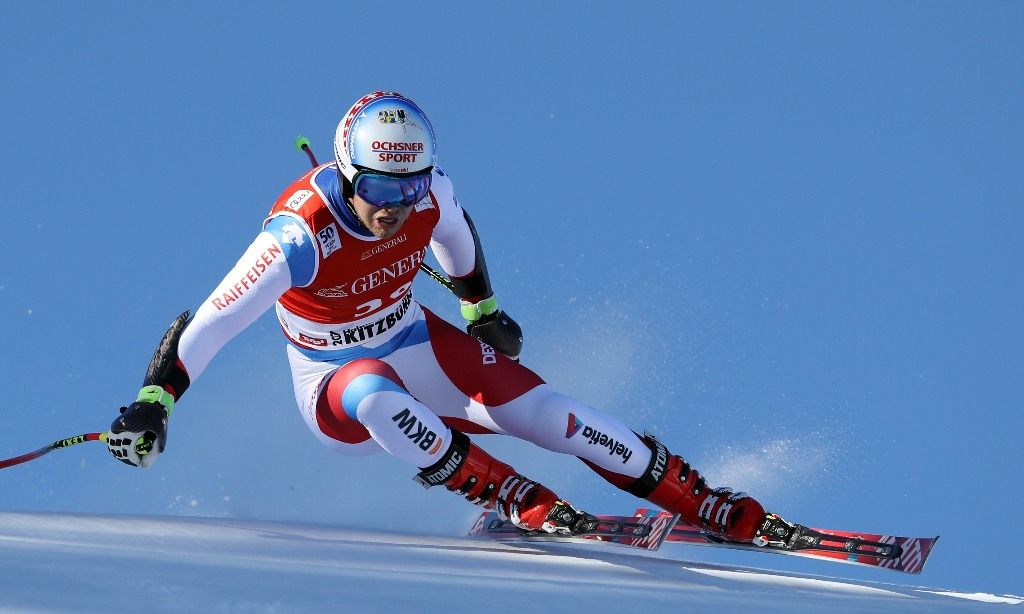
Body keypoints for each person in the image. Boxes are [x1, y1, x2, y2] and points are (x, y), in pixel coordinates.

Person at [107, 91, 788, 544]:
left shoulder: (429, 194)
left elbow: (457, 239)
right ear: (346, 173)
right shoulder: (299, 236)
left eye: (408, 186)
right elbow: (213, 322)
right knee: (376, 392)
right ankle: (509, 493)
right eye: (379, 186)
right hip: (336, 384)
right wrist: (153, 404)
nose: (394, 205)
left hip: (416, 341)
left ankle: (704, 502)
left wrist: (482, 311)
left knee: (557, 417)